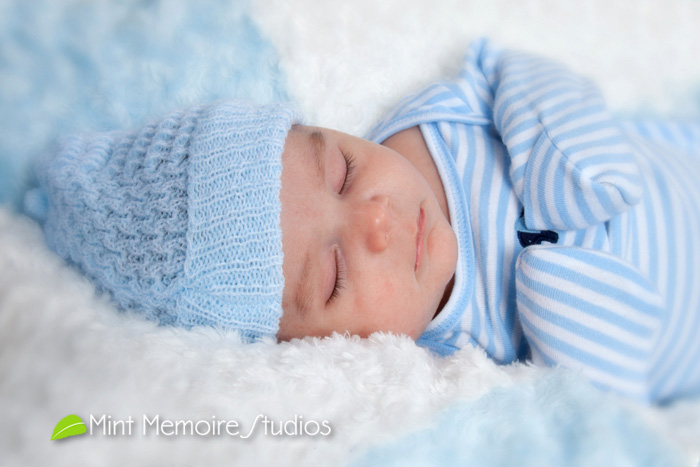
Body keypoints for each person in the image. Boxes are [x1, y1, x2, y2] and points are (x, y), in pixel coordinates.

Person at [25, 39, 700, 403]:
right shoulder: (450, 357)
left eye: (344, 171)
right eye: (335, 272)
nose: (377, 219)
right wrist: (564, 304)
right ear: (313, 347)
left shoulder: (432, 128)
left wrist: (559, 154)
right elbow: (600, 405)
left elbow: (513, 65)